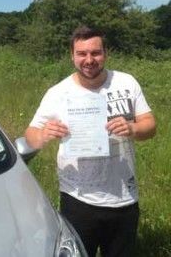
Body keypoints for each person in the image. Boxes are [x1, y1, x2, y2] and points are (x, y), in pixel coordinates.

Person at [25, 26, 156, 257]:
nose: (89, 60)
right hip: (78, 199)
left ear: (106, 53)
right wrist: (43, 135)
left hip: (124, 198)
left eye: (95, 53)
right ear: (72, 55)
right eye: (81, 53)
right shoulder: (58, 93)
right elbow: (30, 136)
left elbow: (150, 125)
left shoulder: (126, 83)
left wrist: (133, 128)